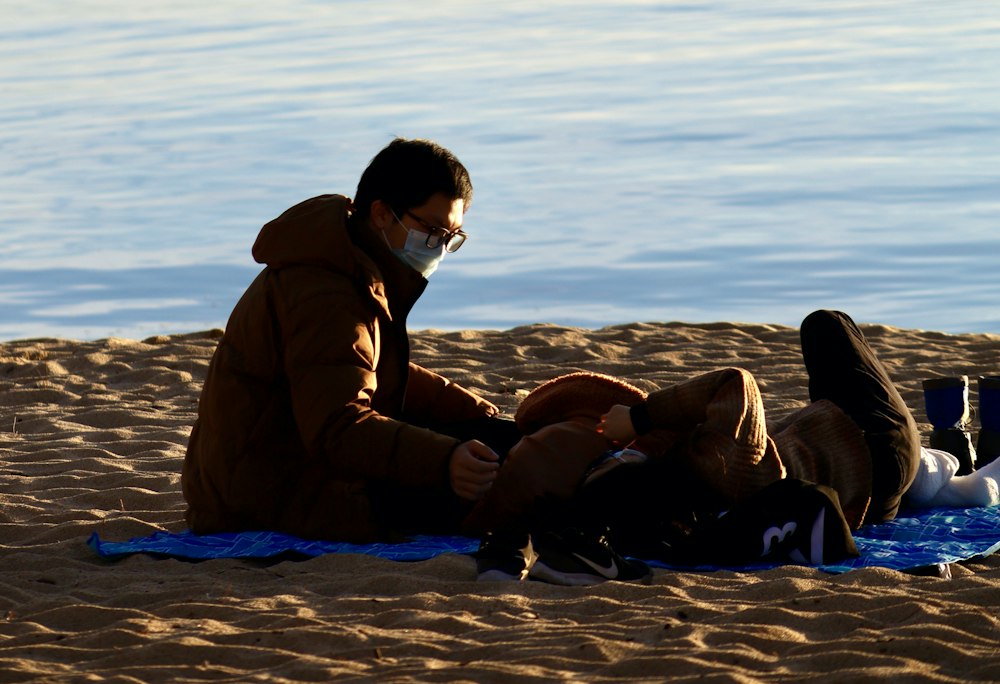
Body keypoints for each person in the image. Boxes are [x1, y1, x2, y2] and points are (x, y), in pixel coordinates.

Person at [469, 310, 1000, 583]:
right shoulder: (714, 461)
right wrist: (640, 417)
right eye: (614, 462)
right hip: (872, 446)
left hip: (853, 471)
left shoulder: (656, 523)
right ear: (639, 474)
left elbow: (518, 535)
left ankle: (950, 467)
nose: (617, 454)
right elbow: (735, 382)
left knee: (833, 421)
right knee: (826, 327)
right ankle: (953, 463)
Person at [182, 137, 519, 542]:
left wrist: (473, 414)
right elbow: (337, 427)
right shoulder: (325, 293)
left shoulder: (351, 261)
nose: (439, 249)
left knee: (498, 441)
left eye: (451, 237)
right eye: (431, 231)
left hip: (293, 465)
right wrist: (444, 460)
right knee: (504, 492)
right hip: (267, 492)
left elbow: (365, 366)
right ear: (381, 213)